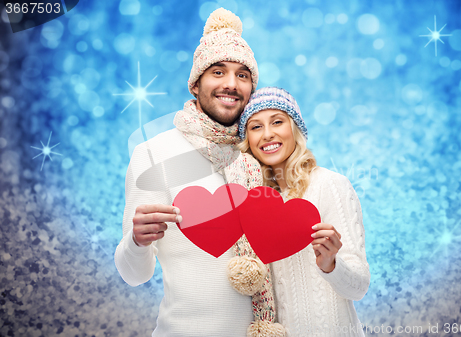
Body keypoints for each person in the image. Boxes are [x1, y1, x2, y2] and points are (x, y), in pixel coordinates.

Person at [114, 9, 284, 337]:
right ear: (196, 83)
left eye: (243, 75)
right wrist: (136, 241)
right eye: (218, 71)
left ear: (251, 88)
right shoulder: (153, 154)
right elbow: (133, 275)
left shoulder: (260, 156)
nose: (231, 84)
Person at [238, 87, 371, 337]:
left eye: (277, 122)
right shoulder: (254, 202)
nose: (267, 134)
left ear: (295, 129)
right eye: (255, 127)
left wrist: (331, 264)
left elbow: (360, 287)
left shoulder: (329, 184)